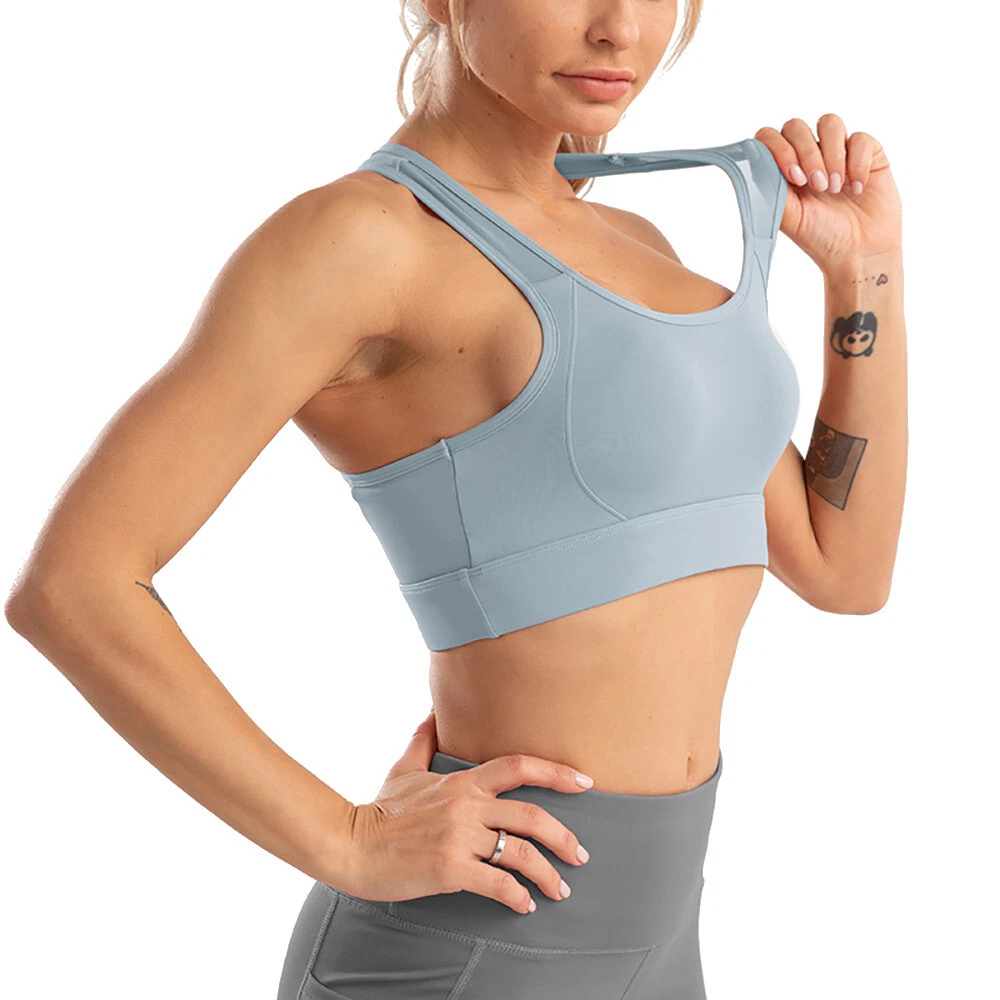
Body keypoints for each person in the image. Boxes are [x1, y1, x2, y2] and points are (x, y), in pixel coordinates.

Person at [4, 0, 906, 997]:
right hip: (471, 946)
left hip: (667, 941)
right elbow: (74, 586)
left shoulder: (639, 238)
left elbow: (843, 569)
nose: (620, 28)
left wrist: (864, 271)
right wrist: (346, 839)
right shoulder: (362, 240)